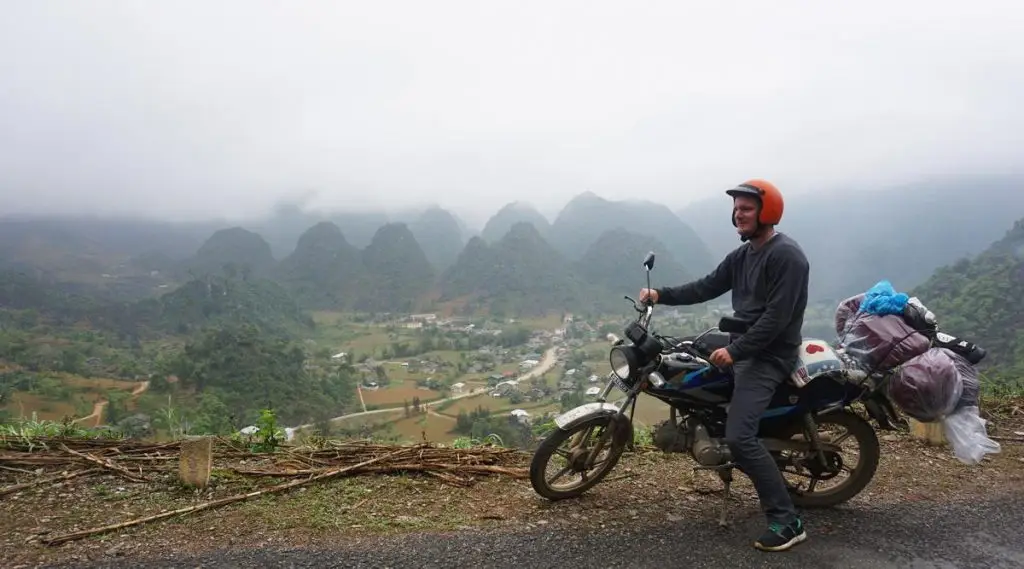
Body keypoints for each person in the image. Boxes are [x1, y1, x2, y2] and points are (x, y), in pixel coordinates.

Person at [639, 179, 810, 552]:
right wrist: (661, 295)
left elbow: (776, 319)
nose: (738, 214)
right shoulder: (744, 255)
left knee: (741, 437)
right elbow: (706, 286)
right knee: (686, 367)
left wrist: (737, 352)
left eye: (746, 208)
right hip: (743, 345)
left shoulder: (787, 257)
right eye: (736, 208)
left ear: (767, 212)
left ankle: (787, 520)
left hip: (768, 355)